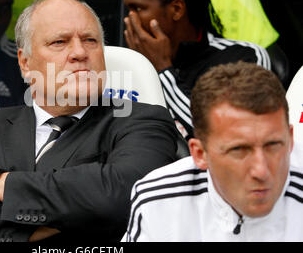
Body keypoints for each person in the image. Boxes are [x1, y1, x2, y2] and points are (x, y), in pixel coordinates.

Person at [0, 0, 181, 242]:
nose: (80, 52)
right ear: (25, 62)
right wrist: (40, 228)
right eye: (60, 42)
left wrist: (0, 183)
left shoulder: (144, 121)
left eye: (90, 40)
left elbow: (124, 195)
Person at [123, 61, 303, 241]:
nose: (261, 171)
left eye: (273, 145)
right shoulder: (157, 202)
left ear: (290, 139)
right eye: (239, 150)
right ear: (200, 154)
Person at [123, 0, 271, 140]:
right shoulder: (126, 62)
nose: (129, 19)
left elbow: (224, 136)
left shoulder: (243, 57)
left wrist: (162, 70)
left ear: (177, 9)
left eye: (138, 9)